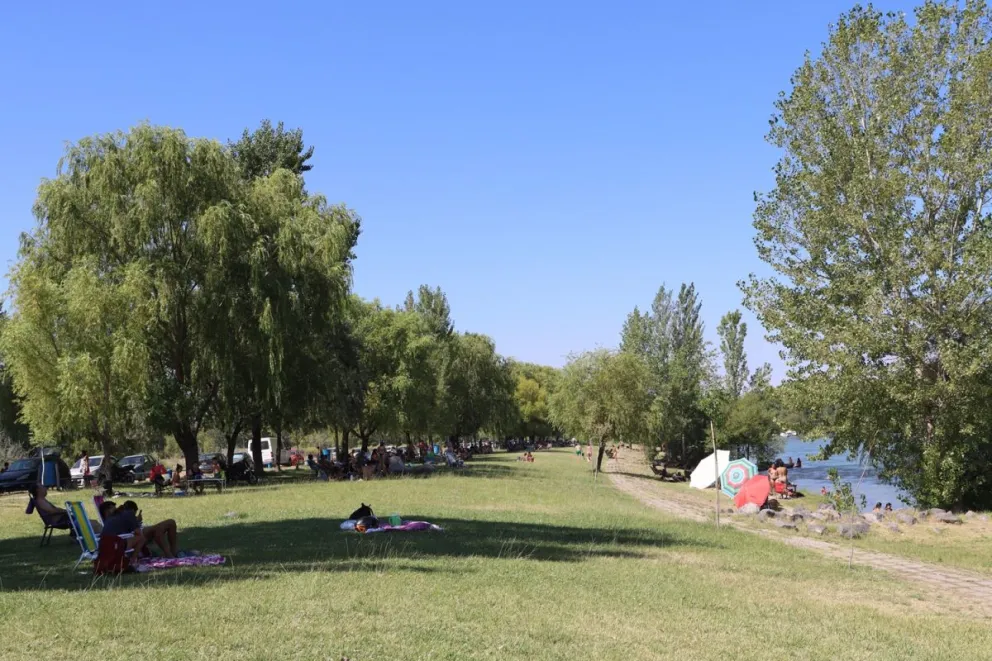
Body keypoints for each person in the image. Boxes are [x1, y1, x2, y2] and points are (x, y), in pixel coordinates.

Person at [100, 500, 178, 559]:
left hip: (125, 539)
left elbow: (124, 526)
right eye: (113, 506)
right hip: (126, 540)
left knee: (168, 524)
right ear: (107, 510)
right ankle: (170, 555)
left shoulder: (110, 520)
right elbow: (138, 534)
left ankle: (171, 553)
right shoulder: (125, 514)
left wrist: (136, 521)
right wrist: (135, 520)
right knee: (163, 526)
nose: (115, 507)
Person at [29, 484, 102, 533]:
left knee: (90, 521)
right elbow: (52, 511)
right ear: (38, 490)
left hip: (63, 518)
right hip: (61, 521)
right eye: (43, 487)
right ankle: (97, 534)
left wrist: (65, 511)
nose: (45, 488)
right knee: (90, 522)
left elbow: (53, 510)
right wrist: (64, 511)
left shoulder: (41, 500)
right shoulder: (40, 501)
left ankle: (80, 534)